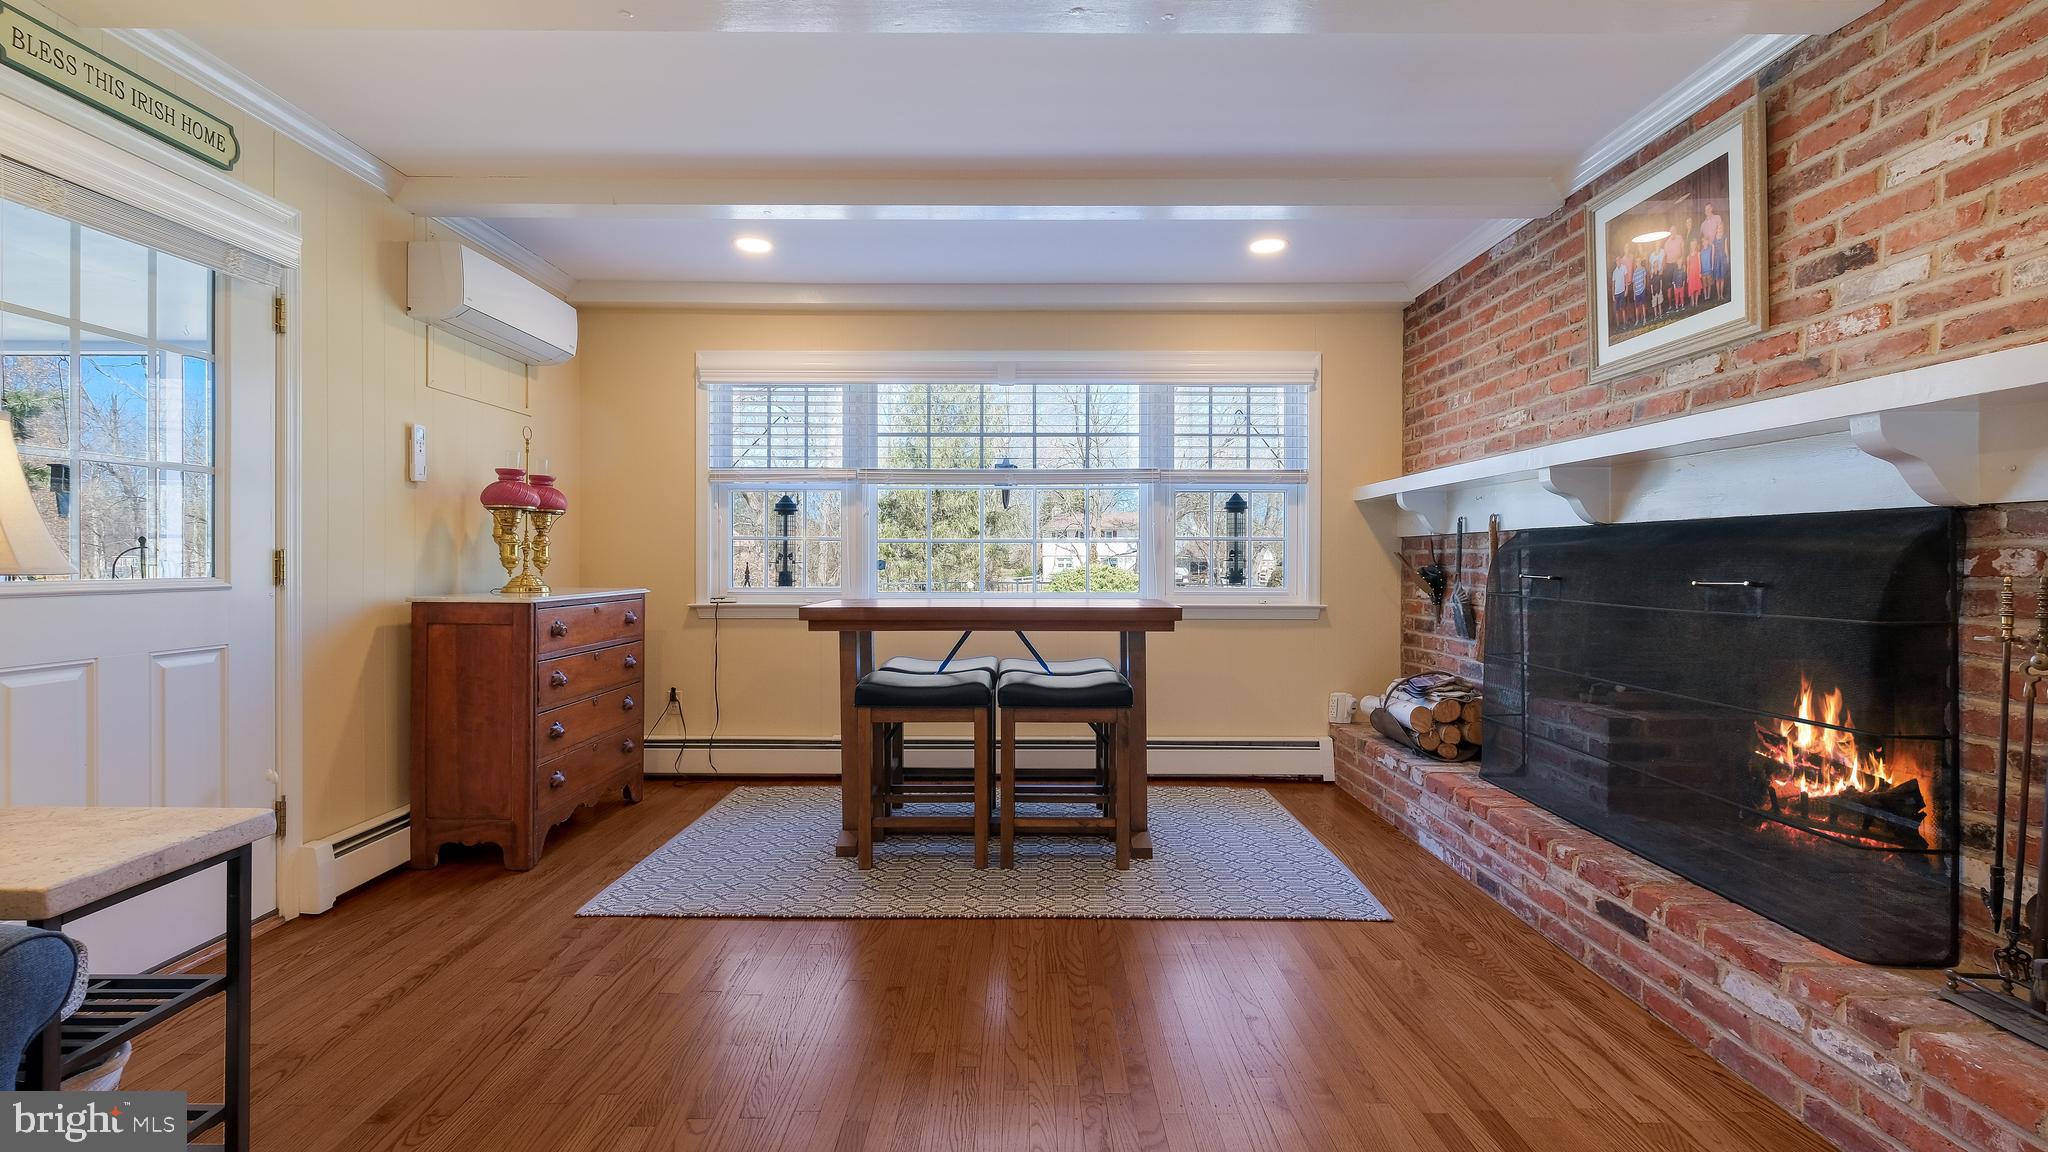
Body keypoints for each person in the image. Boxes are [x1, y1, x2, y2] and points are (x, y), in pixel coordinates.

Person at [1700, 203, 1726, 299]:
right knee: (1711, 270)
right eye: (1705, 210)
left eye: (1709, 208)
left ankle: (1720, 293)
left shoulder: (1717, 218)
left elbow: (1721, 230)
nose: (1707, 211)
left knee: (1719, 268)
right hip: (1708, 250)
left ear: (1712, 208)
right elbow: (1701, 237)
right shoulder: (1703, 224)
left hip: (1718, 248)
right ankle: (1713, 293)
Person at [1613, 253, 1632, 333]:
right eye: (1616, 260)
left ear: (1620, 260)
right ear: (1616, 262)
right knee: (1617, 310)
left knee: (1623, 308)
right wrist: (1613, 295)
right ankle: (1618, 326)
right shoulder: (1614, 272)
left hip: (1622, 291)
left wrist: (1626, 289)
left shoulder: (1624, 267)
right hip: (1616, 293)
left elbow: (1626, 279)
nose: (1618, 261)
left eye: (1619, 260)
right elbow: (1613, 284)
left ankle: (1625, 324)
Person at [1686, 238, 1704, 311]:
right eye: (1692, 245)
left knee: (1697, 288)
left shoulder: (1698, 254)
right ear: (1690, 246)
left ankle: (1696, 302)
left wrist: (1700, 272)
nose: (1693, 246)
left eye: (1694, 245)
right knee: (1692, 289)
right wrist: (1687, 276)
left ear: (1695, 245)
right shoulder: (1688, 256)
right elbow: (1688, 267)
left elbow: (1699, 263)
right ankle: (1692, 302)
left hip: (1696, 273)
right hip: (1691, 274)